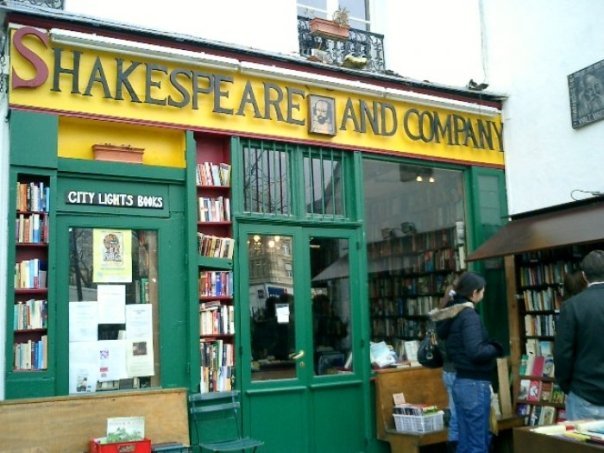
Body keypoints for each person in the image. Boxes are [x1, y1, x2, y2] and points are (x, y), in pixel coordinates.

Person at [432, 272, 504, 453]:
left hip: (462, 381)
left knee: (465, 441)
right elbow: (475, 351)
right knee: (477, 442)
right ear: (474, 293)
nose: (483, 294)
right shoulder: (469, 316)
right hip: (474, 383)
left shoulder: (454, 314)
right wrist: (495, 348)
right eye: (482, 291)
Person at [555, 250, 604, 420]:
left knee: (580, 447)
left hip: (583, 393)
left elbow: (563, 354)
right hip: (583, 391)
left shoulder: (572, 307)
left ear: (583, 275)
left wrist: (568, 386)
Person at [431, 279, 459, 453]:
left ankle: (454, 445)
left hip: (447, 370)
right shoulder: (456, 318)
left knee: (455, 414)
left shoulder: (440, 317)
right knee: (458, 417)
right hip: (457, 371)